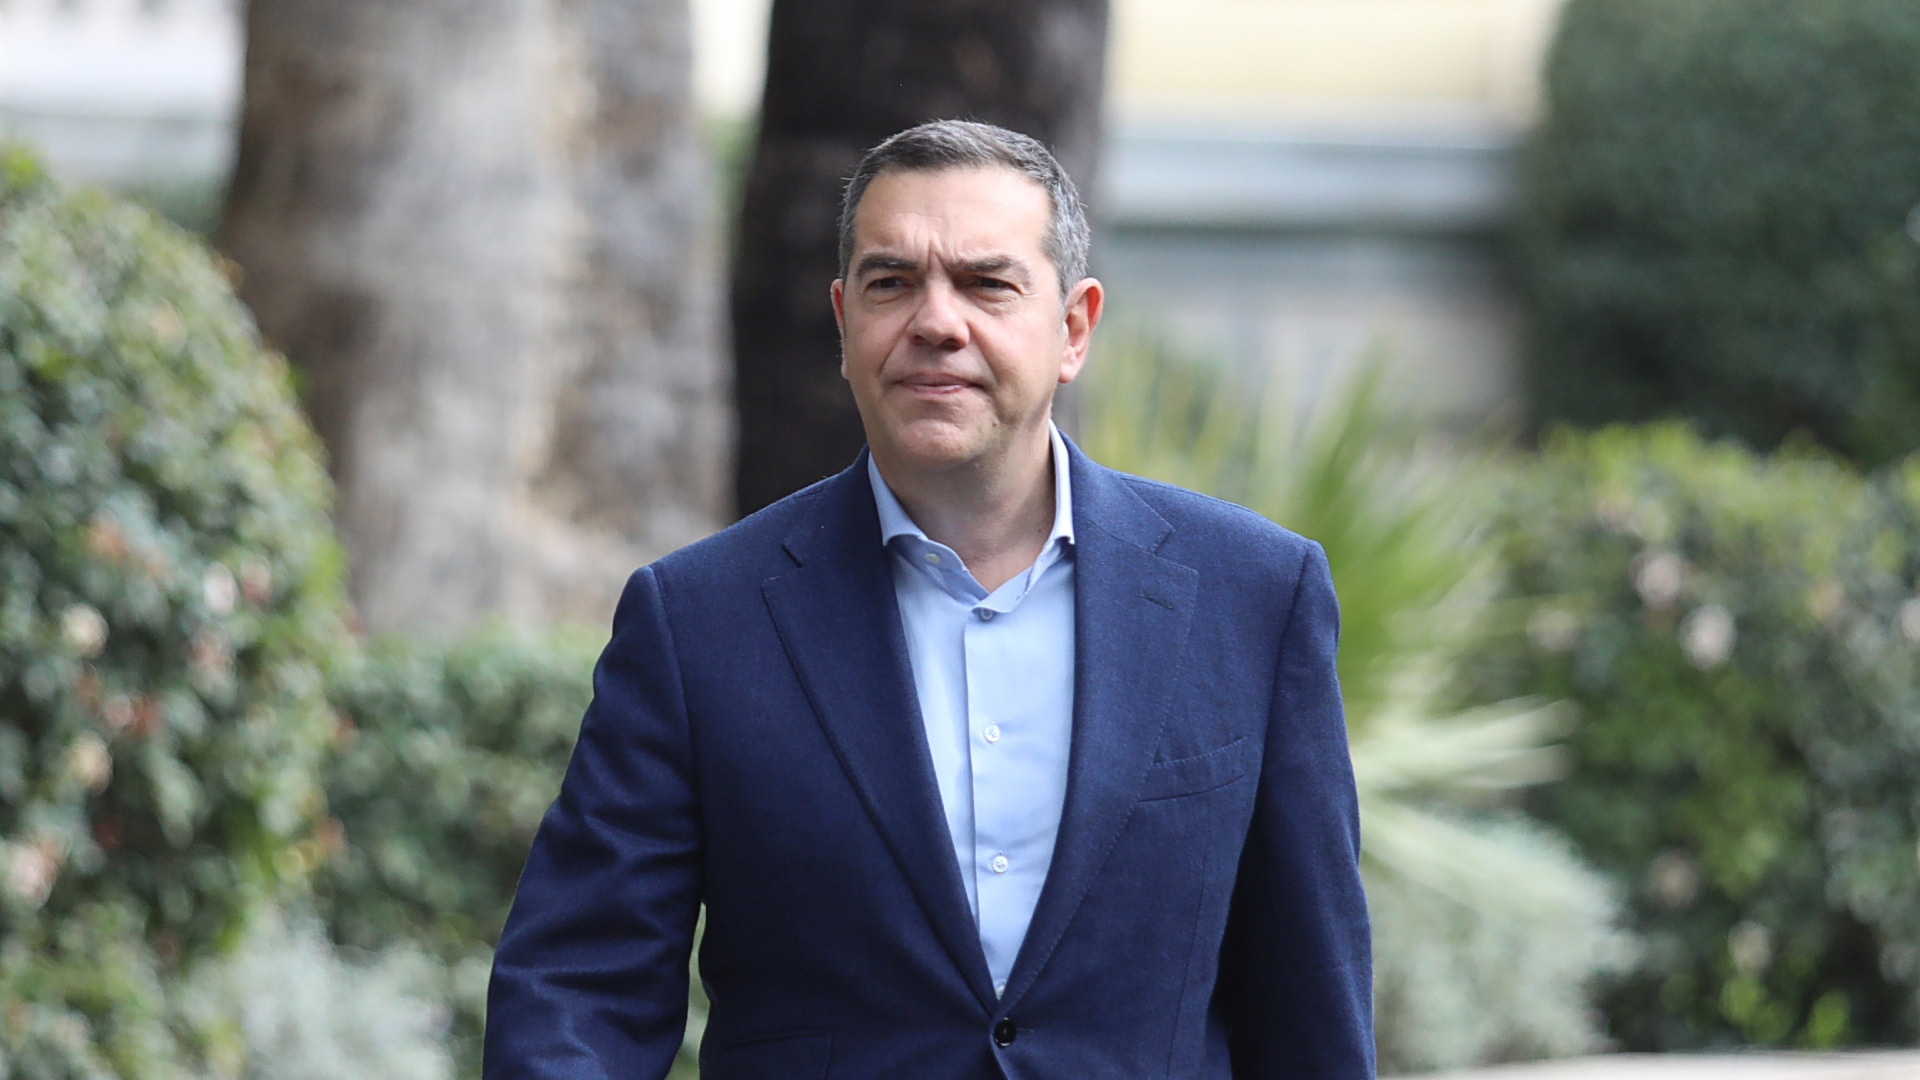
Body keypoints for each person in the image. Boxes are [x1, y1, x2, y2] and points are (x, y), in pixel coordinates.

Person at [484, 119, 1373, 1079]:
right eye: (892, 282)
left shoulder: (1252, 596)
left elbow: (1310, 1006)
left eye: (987, 283)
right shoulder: (698, 621)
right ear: (844, 323)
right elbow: (580, 990)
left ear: (1073, 328)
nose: (936, 322)